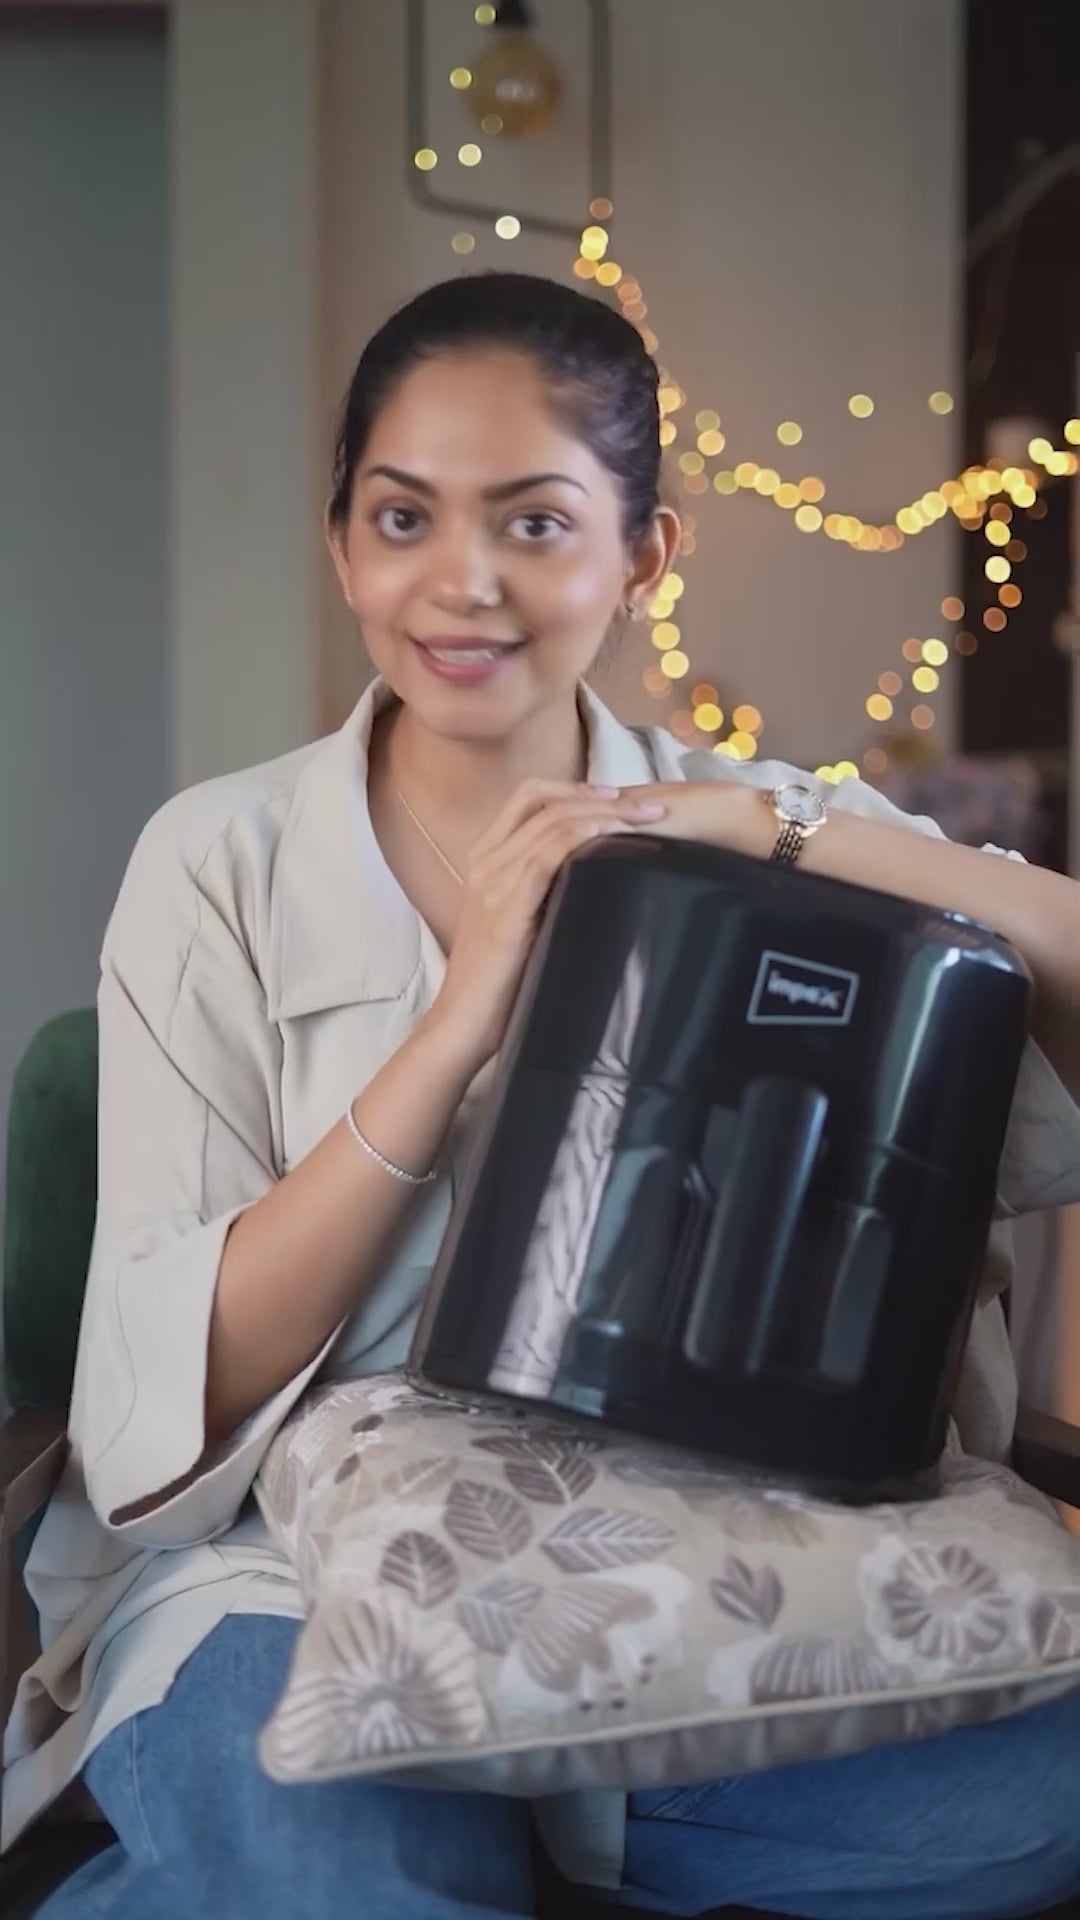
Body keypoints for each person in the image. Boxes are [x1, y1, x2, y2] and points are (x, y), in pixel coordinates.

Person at [5, 272, 1080, 1920]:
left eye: (534, 523)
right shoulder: (219, 859)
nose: (463, 582)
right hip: (279, 1578)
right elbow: (189, 1374)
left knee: (1036, 1805)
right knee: (348, 1890)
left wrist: (760, 831)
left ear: (646, 553)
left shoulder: (777, 825)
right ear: (342, 544)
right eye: (404, 517)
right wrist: (459, 1021)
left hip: (692, 1582)